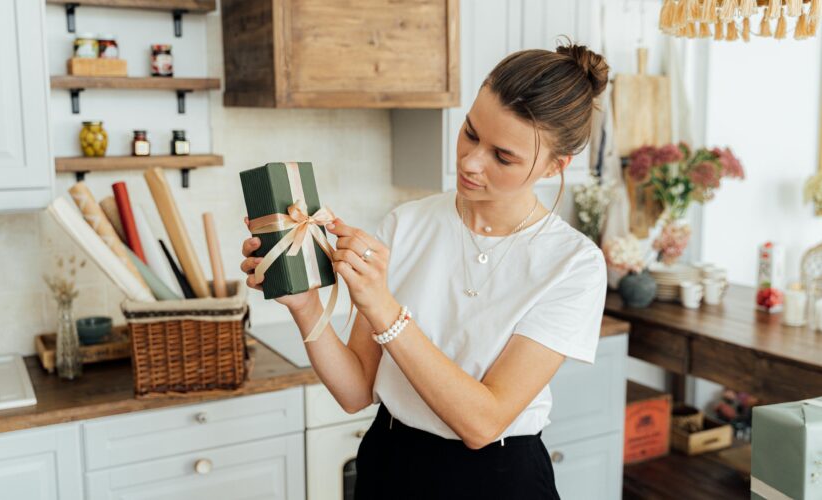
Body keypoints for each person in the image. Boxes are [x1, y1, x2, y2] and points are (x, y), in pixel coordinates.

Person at [241, 40, 610, 500]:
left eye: (503, 156)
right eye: (471, 133)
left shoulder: (573, 264)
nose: (471, 162)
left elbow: (483, 422)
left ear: (557, 166)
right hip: (391, 464)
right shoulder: (407, 223)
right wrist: (305, 304)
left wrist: (384, 307)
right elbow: (356, 391)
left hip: (498, 478)